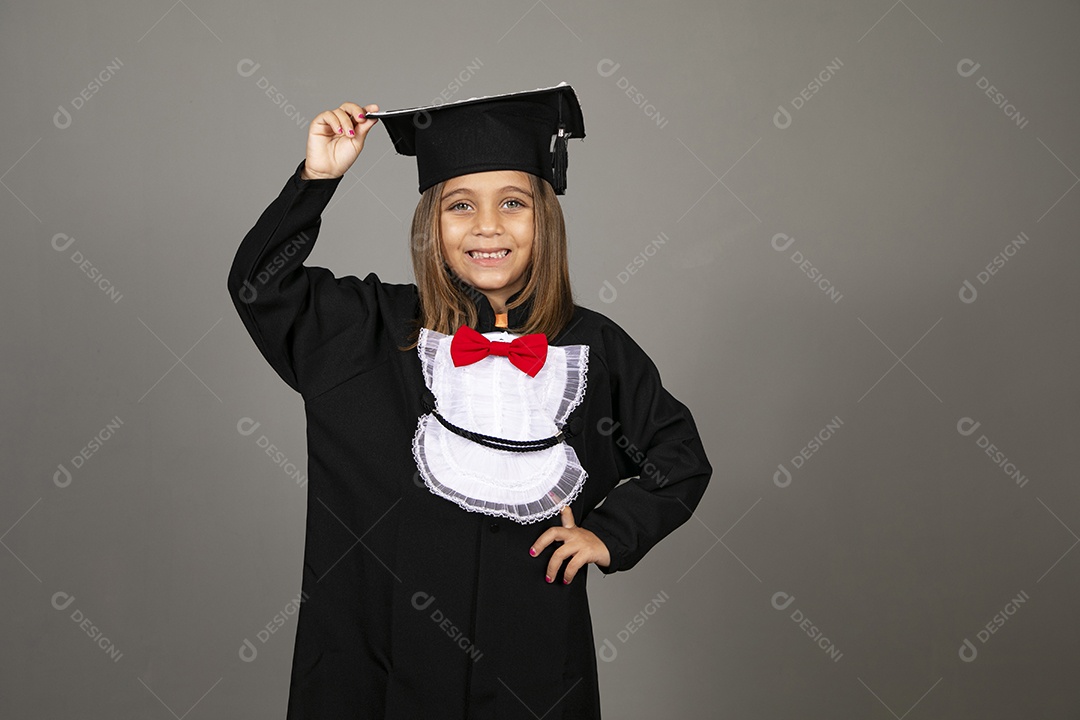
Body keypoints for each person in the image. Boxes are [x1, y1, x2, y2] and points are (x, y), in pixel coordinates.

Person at [228, 83, 712, 720]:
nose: (487, 226)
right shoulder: (367, 332)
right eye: (460, 205)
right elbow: (260, 285)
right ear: (432, 224)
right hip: (378, 666)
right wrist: (317, 179)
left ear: (546, 218)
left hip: (529, 668)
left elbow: (676, 456)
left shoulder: (593, 347)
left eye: (513, 203)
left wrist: (608, 535)